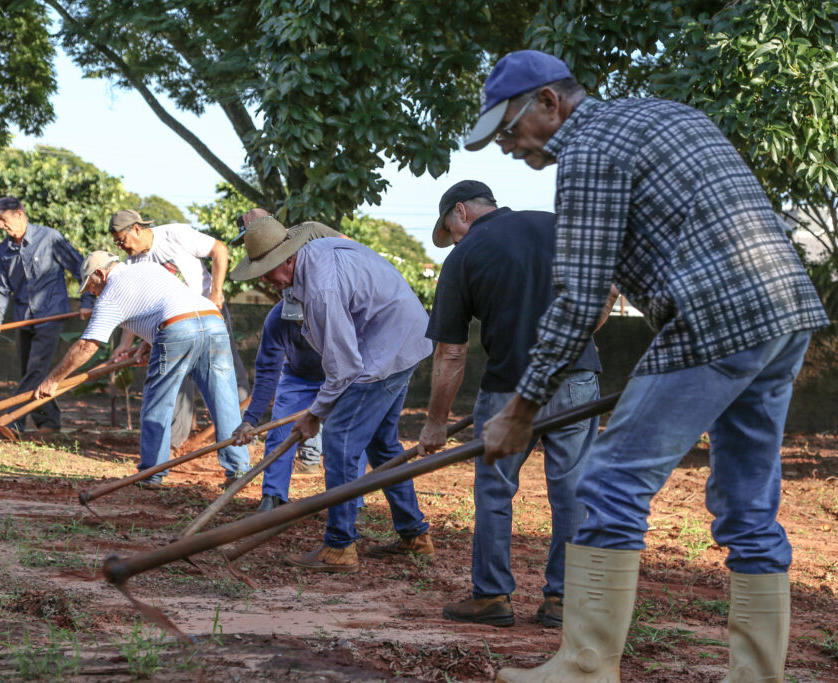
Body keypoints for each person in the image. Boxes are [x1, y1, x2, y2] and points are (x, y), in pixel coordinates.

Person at [465, 50, 830, 681]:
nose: (505, 147)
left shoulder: (588, 150)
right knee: (748, 504)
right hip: (784, 311)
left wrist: (519, 410)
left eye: (509, 130)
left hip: (713, 318)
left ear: (550, 102)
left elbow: (579, 296)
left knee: (608, 484)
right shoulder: (668, 115)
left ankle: (582, 668)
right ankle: (757, 675)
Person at [420, 179, 607, 629]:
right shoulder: (557, 226)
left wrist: (435, 423)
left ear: (460, 212)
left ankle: (491, 597)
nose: (454, 239)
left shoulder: (462, 257)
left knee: (495, 488)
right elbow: (606, 292)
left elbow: (451, 352)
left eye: (450, 228)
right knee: (573, 490)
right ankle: (563, 601)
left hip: (508, 387)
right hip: (577, 380)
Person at [230, 218, 433, 573]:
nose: (264, 281)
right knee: (383, 444)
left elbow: (344, 368)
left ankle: (339, 545)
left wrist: (315, 414)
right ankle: (414, 534)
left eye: (266, 271)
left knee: (339, 441)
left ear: (288, 258)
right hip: (403, 338)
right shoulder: (314, 256)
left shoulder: (321, 288)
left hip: (386, 349)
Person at [34, 251, 250, 486]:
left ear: (100, 273)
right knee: (224, 401)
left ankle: (151, 472)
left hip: (177, 327)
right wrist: (149, 344)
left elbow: (87, 345)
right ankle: (240, 471)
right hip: (212, 320)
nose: (92, 293)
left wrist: (52, 380)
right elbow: (169, 302)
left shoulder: (111, 293)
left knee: (159, 403)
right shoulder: (148, 268)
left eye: (91, 286)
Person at [230, 215, 348, 511]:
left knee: (342, 442)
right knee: (279, 434)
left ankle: (348, 502)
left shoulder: (330, 298)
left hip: (343, 376)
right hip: (298, 379)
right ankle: (273, 496)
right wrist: (250, 420)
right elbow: (268, 372)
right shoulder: (277, 320)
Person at [107, 209, 249, 447]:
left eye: (122, 240)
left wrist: (215, 294)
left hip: (209, 312)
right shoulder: (132, 265)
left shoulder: (174, 234)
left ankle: (243, 433)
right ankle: (174, 444)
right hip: (174, 325)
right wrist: (127, 346)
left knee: (226, 372)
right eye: (117, 244)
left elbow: (220, 250)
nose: (122, 247)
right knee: (177, 378)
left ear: (136, 229)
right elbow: (139, 309)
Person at [0, 196, 94, 435]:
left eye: (3, 220)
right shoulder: (4, 251)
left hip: (50, 317)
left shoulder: (50, 239)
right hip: (24, 318)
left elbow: (81, 269)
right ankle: (49, 422)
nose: (0, 226)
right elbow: (2, 290)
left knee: (35, 370)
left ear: (19, 215)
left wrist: (87, 300)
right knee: (32, 373)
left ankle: (13, 420)